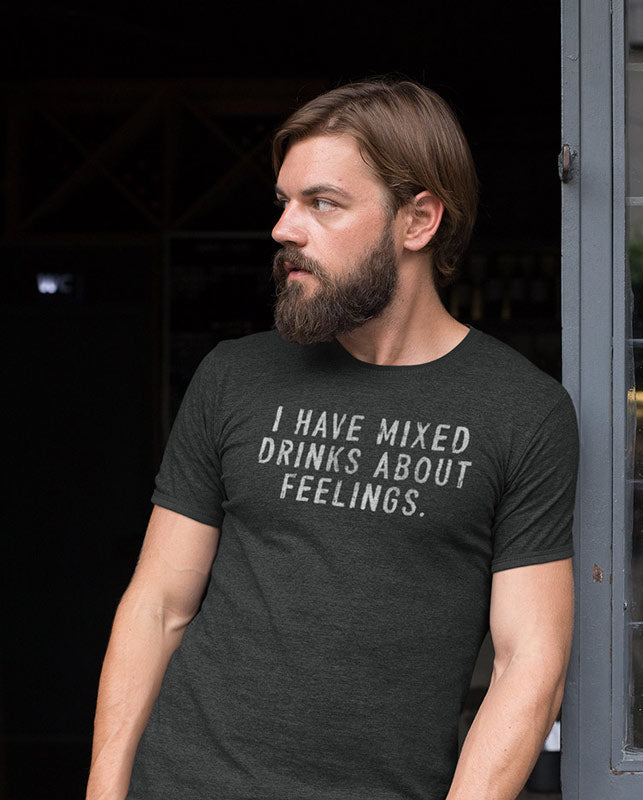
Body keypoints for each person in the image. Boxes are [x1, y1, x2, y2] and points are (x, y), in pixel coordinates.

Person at [86, 77, 578, 800]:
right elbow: (158, 605)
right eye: (284, 203)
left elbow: (528, 667)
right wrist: (105, 789)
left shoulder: (522, 412)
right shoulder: (235, 376)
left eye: (322, 202)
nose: (285, 228)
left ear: (417, 222)